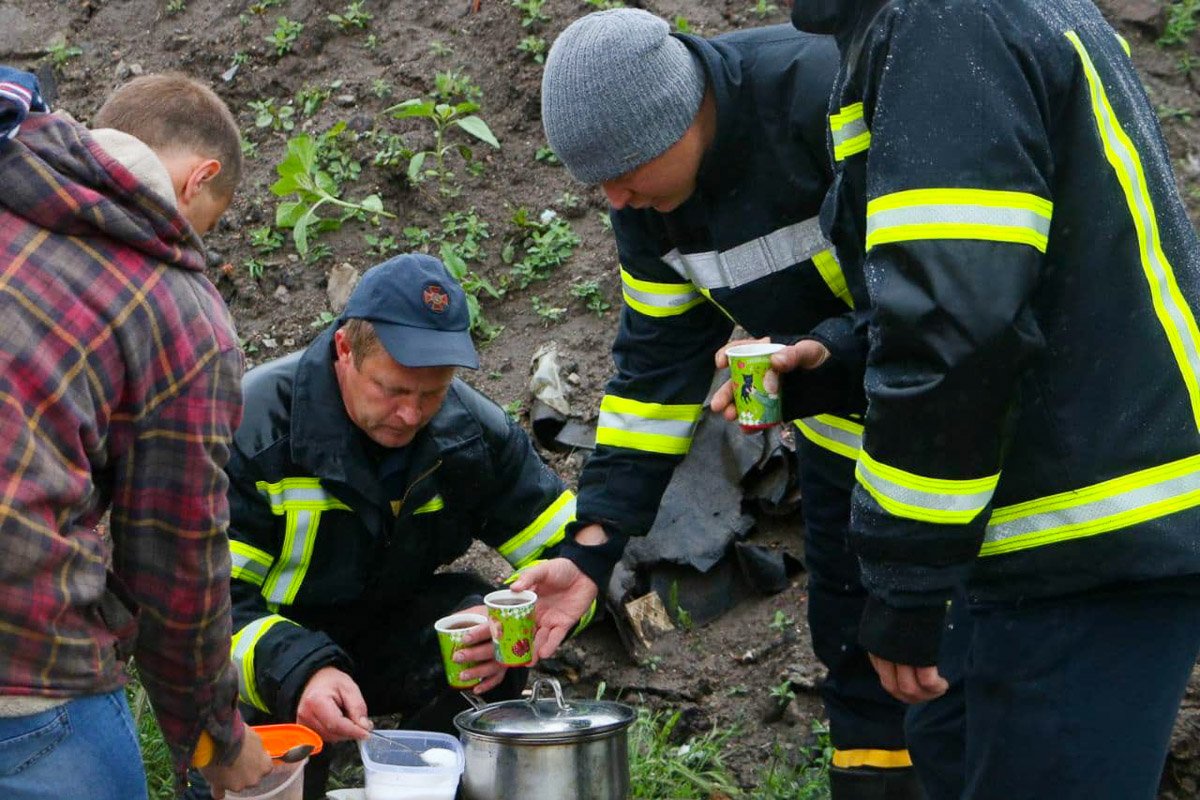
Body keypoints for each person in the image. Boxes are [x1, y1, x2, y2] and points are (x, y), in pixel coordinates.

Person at [784, 0, 1200, 796]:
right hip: (1059, 533)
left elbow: (956, 326)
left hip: (1083, 542)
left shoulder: (944, 21)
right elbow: (990, 284)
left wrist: (904, 580)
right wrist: (840, 356)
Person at [526, 10, 923, 798]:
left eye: (626, 170)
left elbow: (941, 294)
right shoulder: (647, 201)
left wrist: (833, 353)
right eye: (596, 180)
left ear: (682, 113)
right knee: (856, 649)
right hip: (846, 445)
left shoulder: (825, 93)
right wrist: (592, 545)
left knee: (955, 653)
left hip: (960, 439)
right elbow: (656, 368)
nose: (615, 197)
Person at [184, 253, 591, 800]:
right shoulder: (251, 432)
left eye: (431, 394)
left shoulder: (469, 434)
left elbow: (579, 554)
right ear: (344, 350)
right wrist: (300, 672)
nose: (411, 414)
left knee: (473, 618)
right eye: (393, 391)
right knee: (268, 772)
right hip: (268, 647)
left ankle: (441, 783)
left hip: (386, 627)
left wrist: (512, 627)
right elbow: (202, 607)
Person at [0, 69, 272, 799]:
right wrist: (216, 736)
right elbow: (174, 562)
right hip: (22, 667)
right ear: (198, 180)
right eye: (206, 224)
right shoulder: (174, 305)